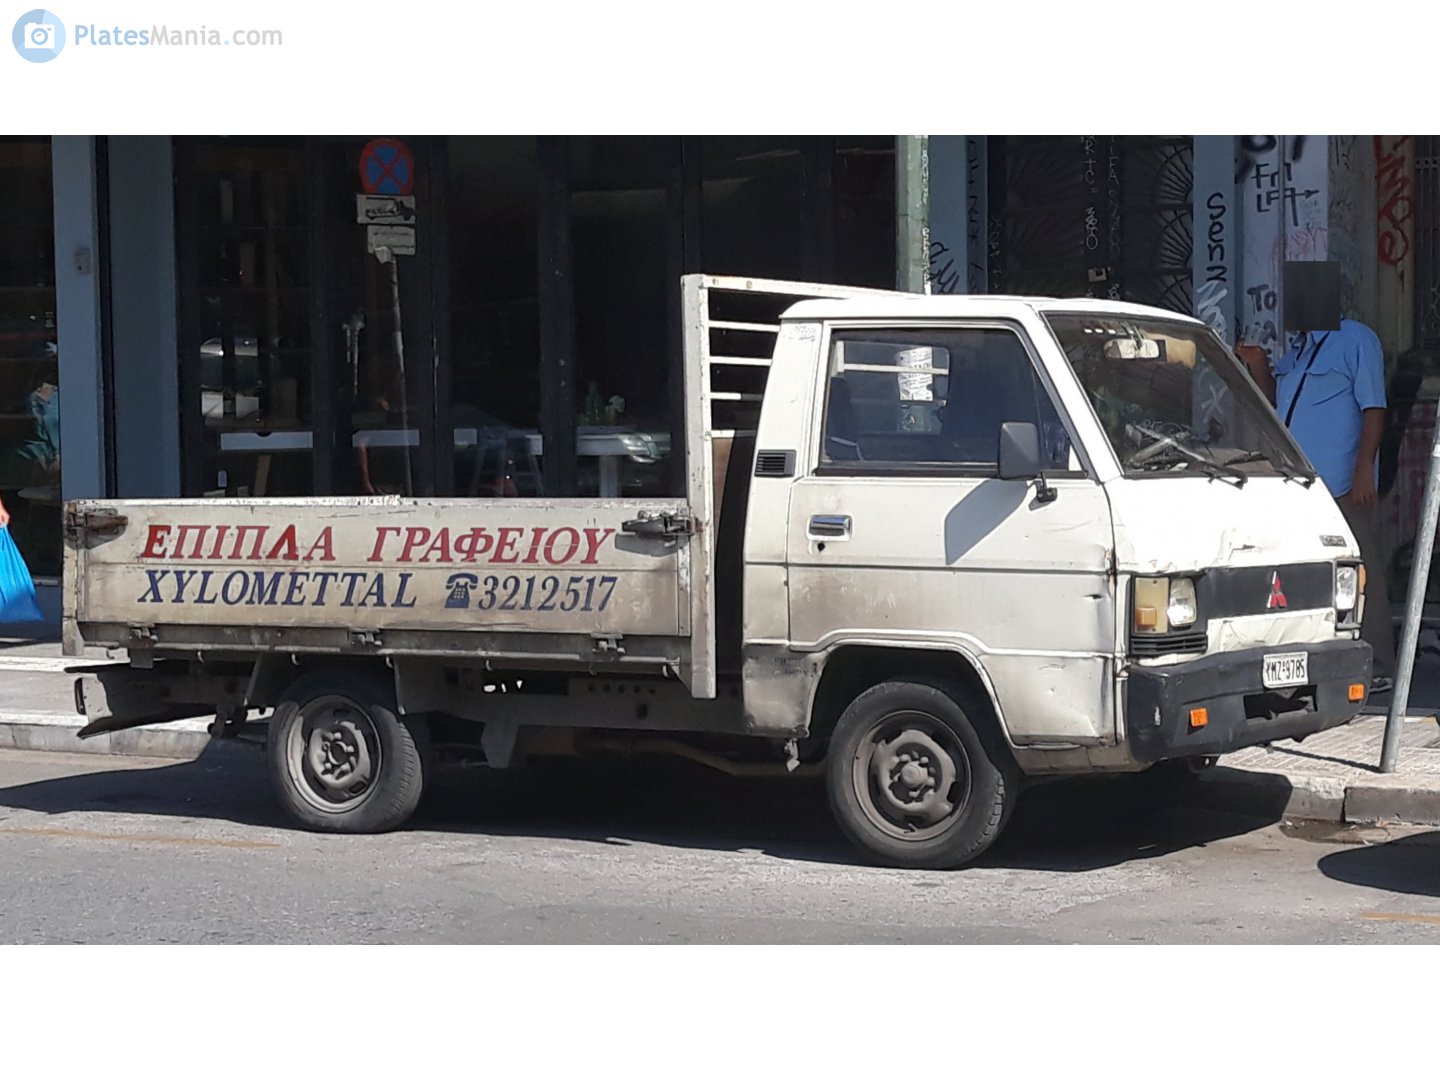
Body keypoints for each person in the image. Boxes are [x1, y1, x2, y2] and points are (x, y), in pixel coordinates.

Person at [1239, 318, 1396, 692]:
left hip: (1343, 483)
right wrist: (1259, 366)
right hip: (1302, 485)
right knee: (1309, 574)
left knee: (1360, 572)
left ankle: (1380, 666)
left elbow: (1374, 409)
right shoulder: (1299, 349)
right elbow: (1279, 402)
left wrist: (1363, 470)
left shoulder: (1356, 339)